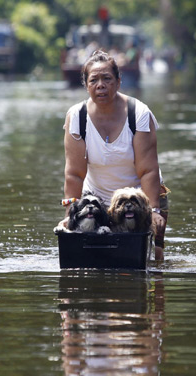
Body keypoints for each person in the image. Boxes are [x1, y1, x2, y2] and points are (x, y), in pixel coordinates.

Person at [60, 50, 169, 260]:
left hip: (139, 199)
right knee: (93, 260)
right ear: (86, 85)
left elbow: (148, 170)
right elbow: (74, 173)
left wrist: (154, 211)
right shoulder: (77, 117)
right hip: (97, 201)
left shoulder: (139, 114)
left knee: (153, 261)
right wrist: (68, 216)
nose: (101, 85)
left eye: (107, 79)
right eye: (94, 80)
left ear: (118, 82)